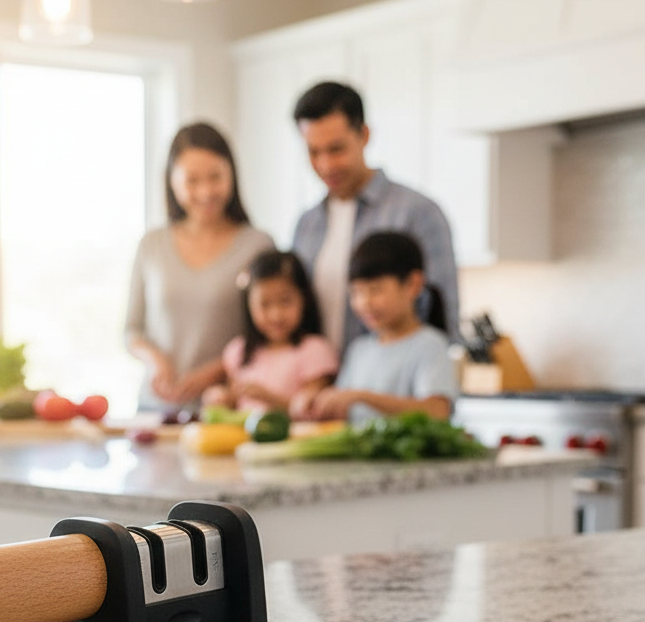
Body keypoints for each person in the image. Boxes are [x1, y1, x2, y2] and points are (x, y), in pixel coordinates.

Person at [290, 81, 460, 355]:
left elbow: (442, 320)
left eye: (336, 149)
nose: (326, 165)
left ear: (364, 135)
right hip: (323, 391)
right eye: (313, 152)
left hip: (392, 390)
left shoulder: (418, 213)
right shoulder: (306, 225)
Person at [125, 122, 274, 410]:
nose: (206, 192)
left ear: (232, 175)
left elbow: (269, 334)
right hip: (155, 408)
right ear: (172, 181)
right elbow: (132, 330)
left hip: (226, 408)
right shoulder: (151, 245)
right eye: (192, 181)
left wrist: (215, 371)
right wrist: (156, 361)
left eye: (215, 177)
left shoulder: (258, 245)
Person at [294, 231, 458, 425]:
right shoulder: (359, 349)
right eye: (356, 292)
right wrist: (315, 400)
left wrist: (362, 397)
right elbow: (342, 408)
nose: (364, 302)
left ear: (413, 285)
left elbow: (438, 411)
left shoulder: (429, 345)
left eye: (375, 290)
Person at [202, 250, 338, 412]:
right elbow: (233, 401)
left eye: (285, 301)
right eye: (264, 304)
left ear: (304, 299)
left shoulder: (314, 351)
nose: (276, 315)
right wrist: (220, 397)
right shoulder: (239, 350)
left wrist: (269, 398)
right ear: (249, 305)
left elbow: (313, 410)